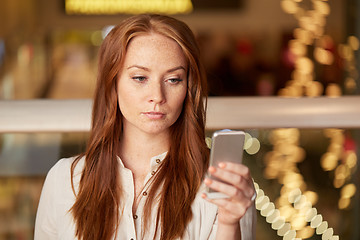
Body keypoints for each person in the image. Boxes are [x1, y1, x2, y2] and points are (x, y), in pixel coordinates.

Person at [34, 14, 256, 240]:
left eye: (173, 79)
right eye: (140, 78)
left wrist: (229, 224)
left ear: (189, 86)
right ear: (113, 83)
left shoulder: (225, 189)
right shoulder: (65, 180)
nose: (157, 96)